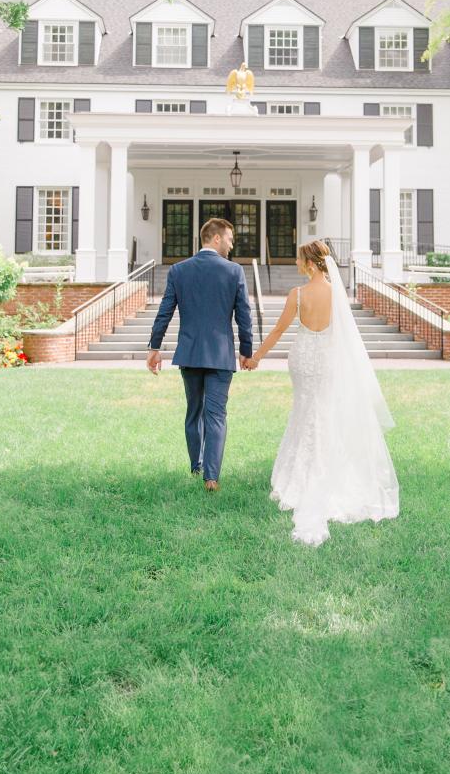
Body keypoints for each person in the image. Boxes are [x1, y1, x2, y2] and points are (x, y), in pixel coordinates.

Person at [249, 240, 399, 545]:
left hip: (304, 358)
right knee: (323, 411)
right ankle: (328, 467)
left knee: (305, 411)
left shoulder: (298, 294)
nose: (296, 265)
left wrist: (256, 357)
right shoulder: (337, 295)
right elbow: (346, 338)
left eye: (299, 260)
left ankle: (301, 476)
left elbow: (278, 331)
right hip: (327, 359)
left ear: (310, 263)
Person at [146, 217, 255, 492]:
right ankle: (211, 477)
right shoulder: (234, 272)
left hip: (191, 353)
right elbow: (244, 316)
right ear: (215, 238)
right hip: (220, 355)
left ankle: (196, 466)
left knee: (194, 412)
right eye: (229, 239)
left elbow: (165, 312)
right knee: (216, 415)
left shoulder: (179, 271)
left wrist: (155, 348)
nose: (232, 245)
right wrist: (246, 350)